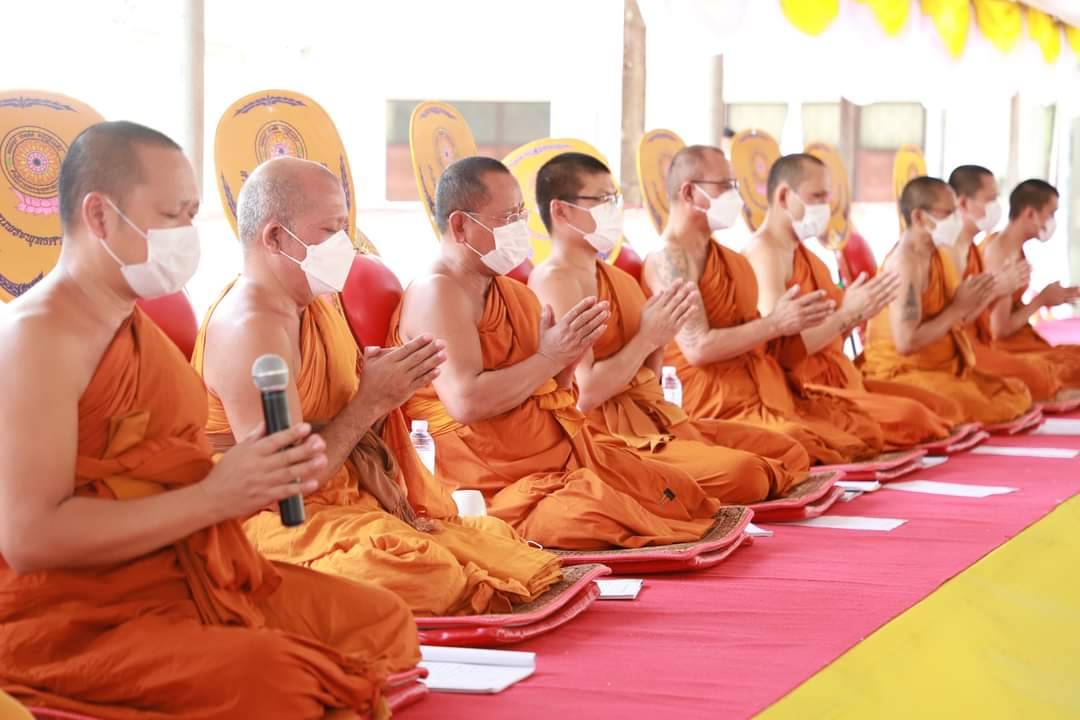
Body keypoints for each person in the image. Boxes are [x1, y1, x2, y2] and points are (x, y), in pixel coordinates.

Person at [0, 122, 418, 719]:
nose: (186, 235)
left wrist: (242, 481)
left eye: (192, 215)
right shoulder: (36, 338)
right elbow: (30, 537)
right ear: (99, 216)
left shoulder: (131, 328)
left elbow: (170, 468)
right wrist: (218, 496)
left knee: (382, 623)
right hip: (70, 616)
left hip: (177, 572)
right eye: (172, 215)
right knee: (285, 685)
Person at [194, 156, 562, 617]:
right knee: (427, 573)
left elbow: (339, 412)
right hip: (264, 522)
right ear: (274, 237)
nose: (345, 246)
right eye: (330, 232)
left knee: (496, 546)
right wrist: (372, 400)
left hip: (342, 503)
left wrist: (390, 382)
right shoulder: (251, 326)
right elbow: (278, 487)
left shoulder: (314, 305)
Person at [391, 156, 722, 551]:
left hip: (558, 459)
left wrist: (564, 360)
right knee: (599, 513)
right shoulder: (437, 291)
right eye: (507, 218)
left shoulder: (510, 292)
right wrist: (550, 357)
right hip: (491, 486)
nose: (519, 227)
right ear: (460, 225)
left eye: (520, 214)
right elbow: (465, 400)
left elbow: (552, 392)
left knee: (677, 492)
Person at [527, 152, 807, 503]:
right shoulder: (554, 280)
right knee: (747, 474)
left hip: (652, 420)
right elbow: (586, 394)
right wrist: (648, 338)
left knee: (789, 451)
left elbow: (648, 380)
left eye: (614, 199)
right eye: (601, 200)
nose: (613, 210)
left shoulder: (615, 278)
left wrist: (658, 340)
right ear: (561, 210)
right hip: (605, 439)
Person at [639, 144, 882, 465]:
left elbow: (763, 341)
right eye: (725, 186)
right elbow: (699, 348)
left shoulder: (728, 259)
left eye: (735, 185)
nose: (735, 196)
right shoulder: (669, 260)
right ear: (689, 192)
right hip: (714, 399)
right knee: (798, 445)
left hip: (760, 387)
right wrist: (776, 323)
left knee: (862, 431)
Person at [744, 153, 955, 448]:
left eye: (826, 198)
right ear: (783, 195)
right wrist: (847, 315)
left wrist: (859, 311)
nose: (824, 208)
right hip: (800, 388)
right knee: (913, 417)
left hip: (840, 378)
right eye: (816, 196)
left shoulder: (807, 256)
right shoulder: (765, 253)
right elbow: (780, 352)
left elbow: (828, 331)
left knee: (940, 408)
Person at [861, 176, 1032, 425]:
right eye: (948, 213)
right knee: (970, 406)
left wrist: (990, 291)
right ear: (919, 217)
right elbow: (906, 342)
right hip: (903, 371)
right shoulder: (905, 264)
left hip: (943, 366)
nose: (956, 219)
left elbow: (960, 319)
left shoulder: (939, 254)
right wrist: (959, 308)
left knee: (1013, 391)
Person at [947, 166, 1065, 402]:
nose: (996, 207)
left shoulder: (971, 249)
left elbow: (964, 318)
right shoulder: (951, 252)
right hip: (962, 349)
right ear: (962, 204)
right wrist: (1038, 300)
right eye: (990, 199)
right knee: (1043, 376)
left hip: (973, 343)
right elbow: (991, 328)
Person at [980, 178, 1080, 389]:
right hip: (998, 347)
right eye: (1051, 214)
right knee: (1066, 368)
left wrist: (1053, 296)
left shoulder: (1014, 247)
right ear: (1030, 214)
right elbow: (999, 329)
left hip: (1019, 339)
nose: (1053, 221)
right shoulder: (1002, 252)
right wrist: (1042, 300)